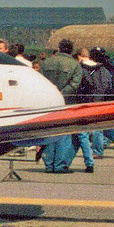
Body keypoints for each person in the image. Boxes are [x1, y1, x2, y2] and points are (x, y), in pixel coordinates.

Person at [38, 39, 83, 173]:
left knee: (50, 132)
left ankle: (49, 163)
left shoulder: (46, 62)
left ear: (59, 48)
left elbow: (40, 80)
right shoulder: (75, 65)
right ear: (71, 49)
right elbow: (75, 84)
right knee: (64, 135)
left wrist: (53, 93)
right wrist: (61, 93)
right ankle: (59, 165)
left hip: (49, 102)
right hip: (66, 102)